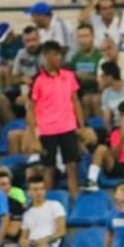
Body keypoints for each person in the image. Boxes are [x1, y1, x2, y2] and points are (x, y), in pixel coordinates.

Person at [26, 40, 84, 202]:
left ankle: (75, 200)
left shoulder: (69, 75)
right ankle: (46, 202)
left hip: (68, 127)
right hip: (47, 130)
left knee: (72, 166)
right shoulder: (37, 80)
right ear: (47, 56)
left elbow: (76, 101)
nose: (59, 58)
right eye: (56, 55)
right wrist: (34, 135)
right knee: (48, 168)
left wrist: (82, 126)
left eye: (60, 55)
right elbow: (31, 109)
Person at [19, 176, 67, 247]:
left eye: (41, 189)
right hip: (32, 244)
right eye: (35, 189)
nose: (39, 192)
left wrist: (45, 240)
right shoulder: (27, 214)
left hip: (49, 244)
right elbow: (22, 237)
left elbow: (61, 231)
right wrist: (24, 243)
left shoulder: (55, 205)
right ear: (29, 192)